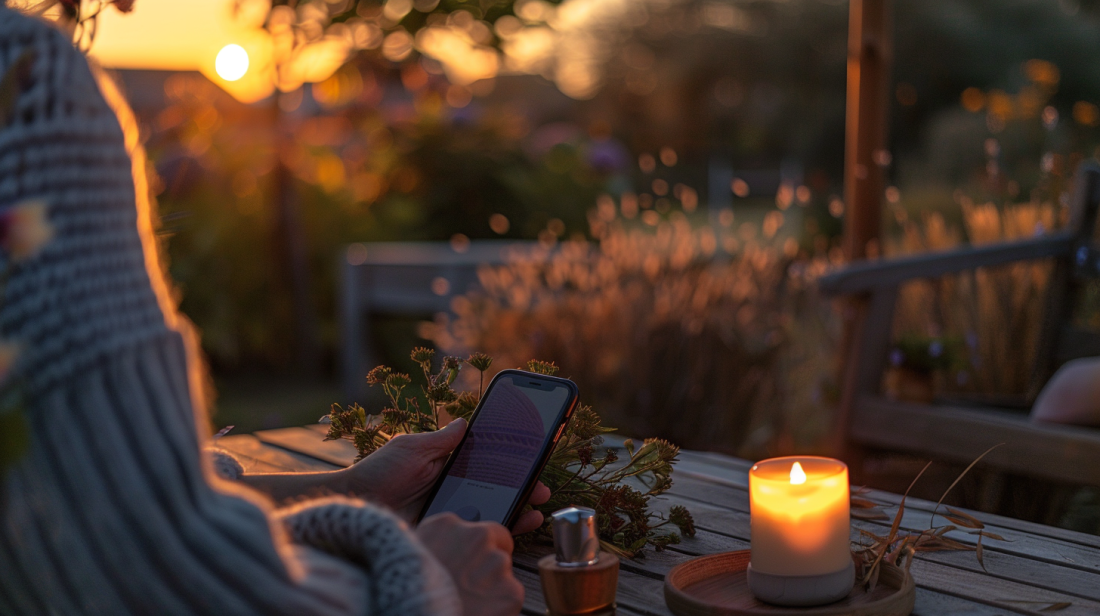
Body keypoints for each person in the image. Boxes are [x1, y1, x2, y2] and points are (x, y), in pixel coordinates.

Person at [0, 7, 540, 615]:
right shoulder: (26, 83)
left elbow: (61, 487)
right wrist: (436, 586)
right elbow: (141, 568)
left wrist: (350, 491)